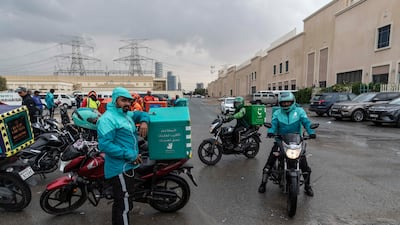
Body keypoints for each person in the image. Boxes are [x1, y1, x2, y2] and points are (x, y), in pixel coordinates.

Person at [97, 87, 149, 225]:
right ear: (115, 101)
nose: (127, 103)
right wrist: (129, 155)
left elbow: (142, 114)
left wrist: (144, 121)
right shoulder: (108, 119)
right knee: (123, 206)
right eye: (123, 100)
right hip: (119, 168)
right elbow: (105, 145)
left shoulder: (126, 115)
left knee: (124, 201)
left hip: (128, 166)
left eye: (129, 101)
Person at [258, 92, 316, 196]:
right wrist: (271, 131)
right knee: (270, 162)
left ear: (293, 102)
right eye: (283, 103)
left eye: (288, 102)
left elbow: (306, 122)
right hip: (280, 140)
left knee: (304, 165)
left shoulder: (299, 111)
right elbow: (274, 123)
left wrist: (311, 132)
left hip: (296, 141)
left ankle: (307, 186)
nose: (286, 105)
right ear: (280, 103)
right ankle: (263, 183)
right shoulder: (277, 113)